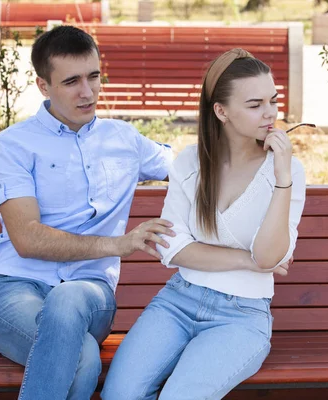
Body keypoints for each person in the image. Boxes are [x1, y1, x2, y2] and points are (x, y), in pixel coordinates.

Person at [0, 26, 175, 400]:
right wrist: (118, 243)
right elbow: (27, 239)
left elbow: (193, 167)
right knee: (84, 355)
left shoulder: (125, 140)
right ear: (43, 86)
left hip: (90, 296)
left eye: (93, 76)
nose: (87, 92)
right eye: (71, 81)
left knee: (68, 301)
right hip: (14, 289)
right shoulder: (15, 145)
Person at [101, 48, 306, 399]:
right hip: (178, 301)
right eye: (255, 105)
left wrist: (282, 176)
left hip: (242, 317)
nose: (270, 113)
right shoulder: (191, 161)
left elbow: (270, 255)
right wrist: (247, 260)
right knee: (119, 394)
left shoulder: (287, 171)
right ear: (221, 111)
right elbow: (174, 246)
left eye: (273, 100)